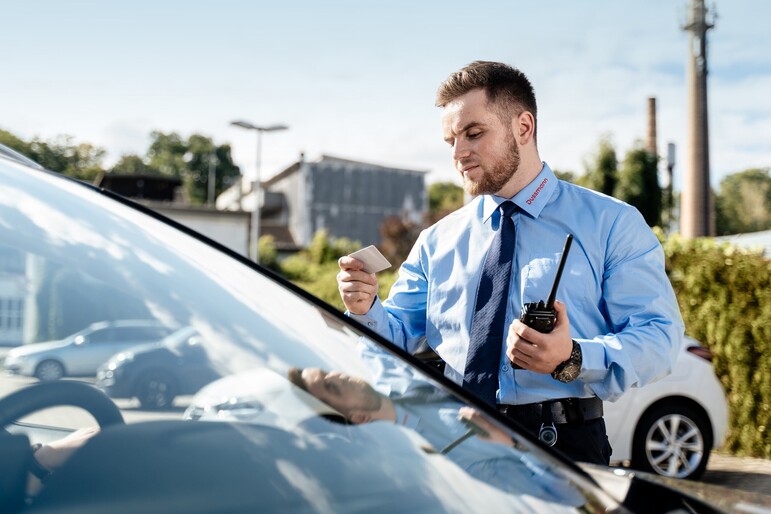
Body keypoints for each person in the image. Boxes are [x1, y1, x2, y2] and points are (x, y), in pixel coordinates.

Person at [337, 61, 685, 465]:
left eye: (473, 133)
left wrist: (571, 357)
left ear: (523, 127)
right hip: (458, 443)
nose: (458, 153)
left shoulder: (611, 223)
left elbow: (659, 336)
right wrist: (366, 309)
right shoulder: (437, 241)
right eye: (450, 140)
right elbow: (397, 337)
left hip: (564, 448)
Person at [287, 366, 584, 506]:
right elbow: (567, 496)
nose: (340, 376)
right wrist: (512, 442)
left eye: (329, 373)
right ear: (359, 418)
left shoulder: (401, 375)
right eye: (333, 388)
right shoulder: (449, 461)